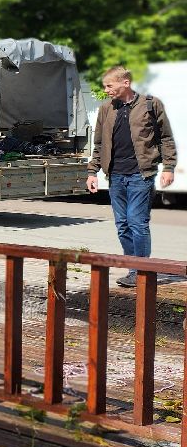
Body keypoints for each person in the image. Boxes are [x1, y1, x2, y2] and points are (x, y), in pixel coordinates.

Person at [86, 65, 177, 286]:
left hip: (140, 175)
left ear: (125, 83)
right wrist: (92, 172)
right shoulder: (106, 109)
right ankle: (134, 269)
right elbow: (99, 144)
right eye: (105, 86)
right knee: (123, 225)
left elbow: (166, 138)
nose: (106, 90)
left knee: (137, 222)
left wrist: (168, 167)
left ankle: (141, 272)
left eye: (110, 85)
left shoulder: (150, 105)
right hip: (115, 176)